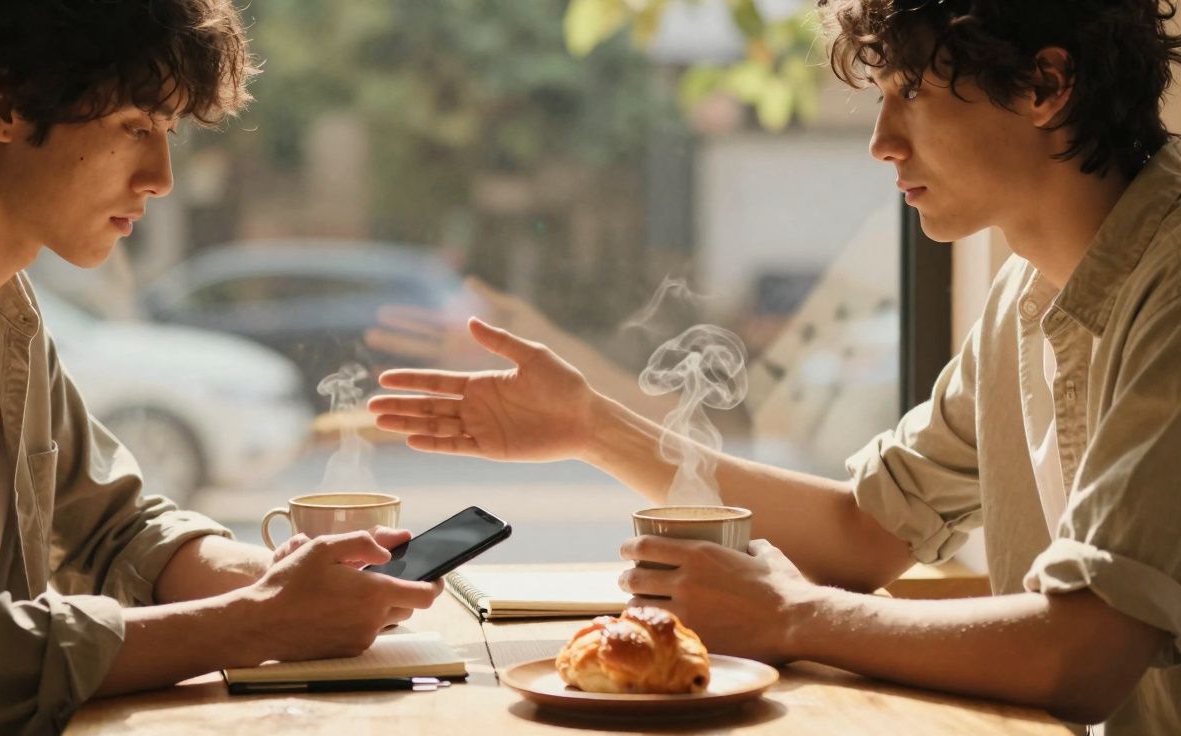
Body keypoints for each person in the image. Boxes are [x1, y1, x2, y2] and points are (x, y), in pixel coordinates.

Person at [367, 1, 1181, 733]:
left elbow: (1086, 653)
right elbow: (865, 532)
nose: (881, 141)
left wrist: (795, 618)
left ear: (1045, 87)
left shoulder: (1170, 281)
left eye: (912, 94)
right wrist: (592, 428)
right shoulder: (1025, 294)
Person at [0, 1, 440, 733]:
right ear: (2, 104)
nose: (161, 176)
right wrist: (261, 620)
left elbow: (113, 529)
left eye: (167, 133)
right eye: (135, 127)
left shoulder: (2, 305)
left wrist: (290, 583)